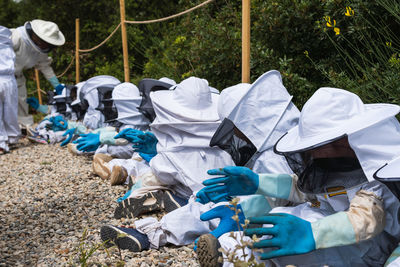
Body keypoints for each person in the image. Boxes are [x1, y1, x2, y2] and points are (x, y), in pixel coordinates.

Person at [99, 71, 300, 256]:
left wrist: (239, 210)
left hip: (295, 218)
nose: (234, 135)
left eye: (234, 129)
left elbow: (274, 199)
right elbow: (287, 191)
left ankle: (160, 230)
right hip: (292, 210)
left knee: (216, 212)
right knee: (221, 211)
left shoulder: (271, 158)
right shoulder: (287, 145)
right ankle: (226, 249)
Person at [195, 87, 400, 266]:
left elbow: (366, 219)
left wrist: (314, 233)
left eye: (320, 145)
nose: (314, 153)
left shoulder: (376, 176)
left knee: (307, 245)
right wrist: (259, 183)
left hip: (369, 245)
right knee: (281, 218)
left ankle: (243, 257)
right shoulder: (331, 164)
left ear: (345, 139)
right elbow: (304, 191)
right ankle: (231, 252)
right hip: (334, 226)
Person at [10, 19, 65, 126]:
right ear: (38, 37)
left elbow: (45, 66)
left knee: (22, 108)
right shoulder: (16, 37)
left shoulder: (39, 49)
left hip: (18, 78)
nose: (47, 46)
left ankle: (24, 132)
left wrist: (56, 84)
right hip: (3, 77)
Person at [0, 26, 19, 153]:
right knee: (10, 109)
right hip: (9, 79)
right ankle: (9, 139)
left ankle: (5, 140)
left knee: (9, 110)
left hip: (8, 77)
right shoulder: (9, 45)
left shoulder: (8, 45)